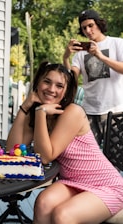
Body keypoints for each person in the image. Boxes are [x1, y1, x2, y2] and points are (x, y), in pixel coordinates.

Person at [7, 61, 123, 224]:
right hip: (72, 181)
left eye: (59, 85)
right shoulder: (39, 113)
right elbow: (12, 150)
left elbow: (45, 157)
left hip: (107, 186)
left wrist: (41, 113)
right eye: (47, 81)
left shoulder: (73, 112)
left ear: (66, 91)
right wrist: (25, 107)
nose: (52, 89)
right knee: (43, 203)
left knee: (63, 215)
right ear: (38, 82)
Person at [63, 9, 123, 145]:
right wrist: (66, 56)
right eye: (84, 28)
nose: (88, 30)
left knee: (115, 156)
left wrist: (100, 56)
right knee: (90, 156)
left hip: (114, 111)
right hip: (89, 111)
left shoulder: (117, 43)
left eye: (91, 25)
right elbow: (70, 79)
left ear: (99, 24)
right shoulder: (80, 54)